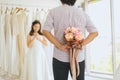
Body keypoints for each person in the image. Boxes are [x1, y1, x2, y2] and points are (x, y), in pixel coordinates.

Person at [43, 0, 98, 80]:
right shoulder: (82, 13)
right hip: (78, 57)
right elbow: (94, 32)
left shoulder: (53, 12)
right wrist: (80, 44)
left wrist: (60, 46)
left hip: (59, 56)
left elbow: (45, 31)